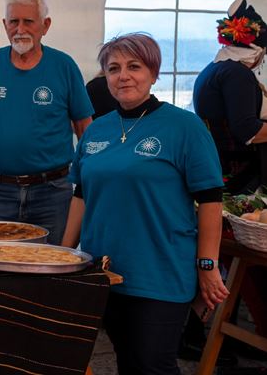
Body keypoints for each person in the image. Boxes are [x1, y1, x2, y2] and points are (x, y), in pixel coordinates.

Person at [61, 33, 229, 374]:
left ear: (153, 73)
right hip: (104, 271)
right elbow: (81, 194)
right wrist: (63, 256)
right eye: (114, 68)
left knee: (152, 364)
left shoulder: (184, 127)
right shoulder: (96, 130)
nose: (123, 76)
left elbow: (211, 200)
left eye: (134, 67)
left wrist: (207, 265)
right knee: (127, 359)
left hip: (160, 272)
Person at [0, 0, 93, 245]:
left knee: (52, 265)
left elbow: (85, 128)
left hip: (53, 194)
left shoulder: (64, 66)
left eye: (28, 21)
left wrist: (87, 186)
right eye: (13, 21)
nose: (20, 29)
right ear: (4, 24)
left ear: (45, 25)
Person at [191, 0, 267, 359]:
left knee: (224, 260)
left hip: (221, 170)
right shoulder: (237, 75)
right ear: (255, 50)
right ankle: (218, 337)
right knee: (237, 261)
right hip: (236, 177)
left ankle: (210, 335)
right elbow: (247, 131)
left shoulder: (214, 69)